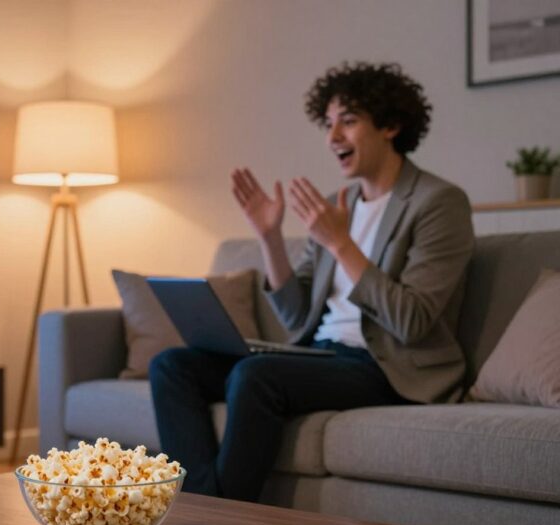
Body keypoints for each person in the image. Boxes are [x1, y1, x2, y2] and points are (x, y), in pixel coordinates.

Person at [150, 62, 475, 501]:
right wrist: (269, 238)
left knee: (255, 375)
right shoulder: (333, 207)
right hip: (322, 355)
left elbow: (412, 320)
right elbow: (297, 314)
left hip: (384, 366)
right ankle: (202, 507)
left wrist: (342, 244)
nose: (333, 137)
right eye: (329, 123)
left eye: (349, 121)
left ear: (392, 126)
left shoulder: (438, 203)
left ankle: (218, 519)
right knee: (172, 365)